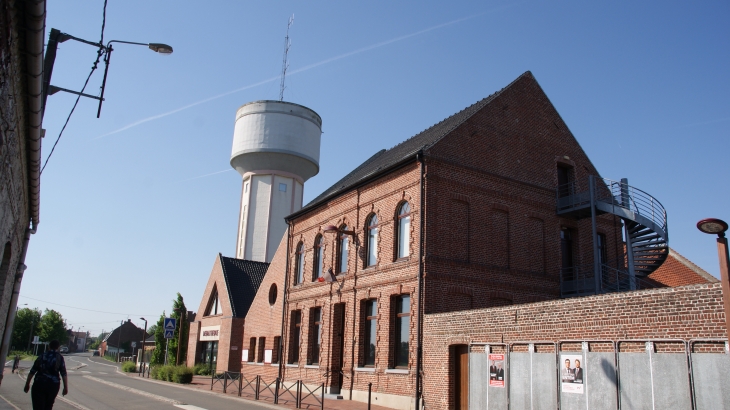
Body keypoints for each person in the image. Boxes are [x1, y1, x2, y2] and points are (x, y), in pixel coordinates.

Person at [24, 340, 68, 410]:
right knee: (49, 405)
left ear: (49, 347)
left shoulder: (42, 356)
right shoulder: (60, 358)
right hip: (53, 385)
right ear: (58, 347)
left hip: (40, 384)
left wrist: (27, 384)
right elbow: (64, 373)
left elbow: (32, 371)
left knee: (38, 405)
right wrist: (65, 387)